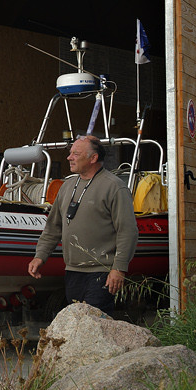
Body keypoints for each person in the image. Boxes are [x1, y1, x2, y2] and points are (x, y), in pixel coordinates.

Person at [27, 134, 135, 314]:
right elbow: (53, 227)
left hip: (102, 272)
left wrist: (119, 268)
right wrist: (40, 256)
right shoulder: (67, 186)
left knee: (94, 325)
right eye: (70, 153)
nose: (69, 158)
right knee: (79, 324)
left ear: (93, 158)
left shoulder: (114, 187)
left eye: (76, 154)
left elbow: (128, 231)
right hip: (73, 272)